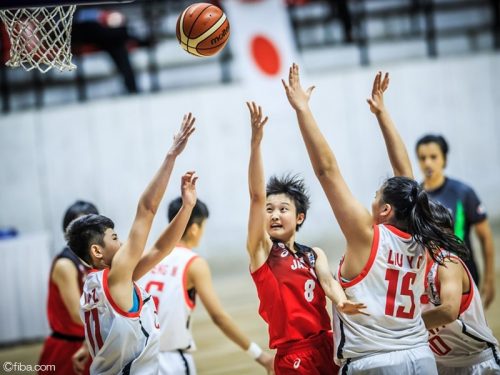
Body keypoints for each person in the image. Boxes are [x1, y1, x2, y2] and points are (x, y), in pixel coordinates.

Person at [282, 64, 468, 373]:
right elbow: (409, 184)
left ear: (385, 210)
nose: (371, 199)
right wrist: (382, 114)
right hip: (421, 358)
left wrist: (303, 110)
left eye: (376, 195)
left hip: (374, 362)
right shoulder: (422, 237)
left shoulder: (367, 236)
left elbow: (327, 171)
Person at [68, 113, 197, 375]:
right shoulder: (116, 278)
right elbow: (147, 209)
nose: (124, 242)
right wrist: (171, 155)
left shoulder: (99, 283)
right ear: (97, 251)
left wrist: (187, 207)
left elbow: (160, 250)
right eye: (115, 238)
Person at [245, 100, 366, 374]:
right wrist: (256, 144)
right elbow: (255, 197)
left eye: (283, 209)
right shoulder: (261, 252)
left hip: (328, 344)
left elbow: (328, 282)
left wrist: (341, 301)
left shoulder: (314, 254)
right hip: (293, 355)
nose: (274, 215)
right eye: (270, 210)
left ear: (299, 217)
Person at [139, 197, 275, 374]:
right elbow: (218, 317)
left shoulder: (146, 256)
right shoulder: (194, 263)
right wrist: (261, 356)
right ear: (195, 229)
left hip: (139, 361)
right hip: (172, 361)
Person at [415, 134, 496, 308]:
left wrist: (490, 279)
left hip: (465, 273)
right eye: (422, 158)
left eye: (433, 157)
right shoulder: (415, 197)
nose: (428, 163)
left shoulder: (463, 193)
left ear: (443, 159)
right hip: (430, 278)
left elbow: (486, 237)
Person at [422, 201, 500, 374]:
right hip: (440, 364)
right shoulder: (409, 271)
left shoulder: (448, 263)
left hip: (476, 362)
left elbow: (449, 311)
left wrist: (405, 326)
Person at [38, 200, 99, 375]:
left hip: (92, 342)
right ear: (68, 231)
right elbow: (77, 313)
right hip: (69, 347)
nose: (86, 233)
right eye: (80, 228)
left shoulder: (95, 258)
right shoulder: (65, 264)